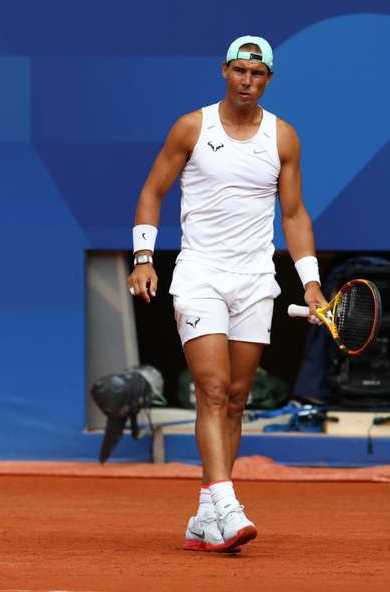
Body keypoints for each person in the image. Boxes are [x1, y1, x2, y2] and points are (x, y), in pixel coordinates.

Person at [127, 35, 327, 553]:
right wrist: (144, 258)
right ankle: (227, 500)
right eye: (240, 71)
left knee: (237, 398)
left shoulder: (283, 138)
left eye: (257, 74)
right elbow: (152, 191)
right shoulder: (192, 127)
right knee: (212, 389)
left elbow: (294, 214)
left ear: (269, 80)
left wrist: (311, 282)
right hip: (200, 276)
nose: (247, 81)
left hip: (256, 280)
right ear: (224, 72)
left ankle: (204, 516)